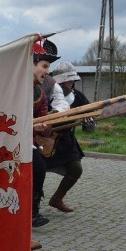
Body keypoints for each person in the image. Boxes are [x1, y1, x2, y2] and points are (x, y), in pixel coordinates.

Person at [44, 61, 89, 212]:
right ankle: (32, 204)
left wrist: (89, 122)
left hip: (66, 140)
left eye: (72, 80)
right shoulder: (46, 95)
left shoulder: (79, 97)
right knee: (37, 171)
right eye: (68, 80)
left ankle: (57, 198)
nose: (71, 83)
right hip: (45, 139)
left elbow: (89, 125)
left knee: (76, 170)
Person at [31, 38, 59, 229]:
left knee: (39, 167)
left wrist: (46, 125)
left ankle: (32, 213)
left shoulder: (39, 92)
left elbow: (44, 120)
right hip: (6, 142)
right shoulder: (12, 88)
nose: (47, 72)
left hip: (28, 141)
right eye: (44, 66)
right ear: (31, 64)